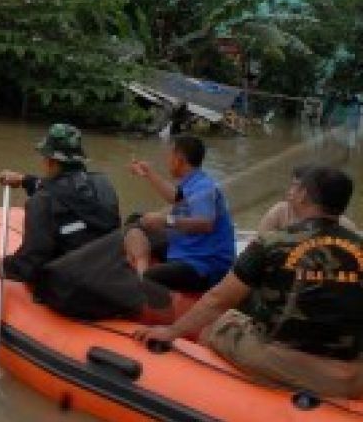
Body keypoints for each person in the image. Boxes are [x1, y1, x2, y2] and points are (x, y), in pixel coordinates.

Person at [134, 166, 363, 398]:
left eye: (296, 187)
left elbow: (218, 299)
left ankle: (210, 393)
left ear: (303, 195)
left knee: (216, 326)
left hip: (293, 363)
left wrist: (172, 332)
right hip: (353, 373)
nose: (290, 191)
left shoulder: (272, 243)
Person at [0, 123, 121, 289]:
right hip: (109, 276)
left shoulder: (41, 201)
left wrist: (4, 267)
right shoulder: (103, 184)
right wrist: (25, 180)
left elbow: (32, 259)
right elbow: (69, 190)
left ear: (51, 162)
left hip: (71, 289)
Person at [124, 135, 235, 292]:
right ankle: (141, 262)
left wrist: (166, 221)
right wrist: (148, 173)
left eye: (170, 156)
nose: (168, 161)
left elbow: (206, 224)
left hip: (205, 263)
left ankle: (143, 279)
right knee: (136, 220)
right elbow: (176, 197)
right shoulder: (194, 182)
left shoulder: (205, 187)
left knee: (152, 277)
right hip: (187, 247)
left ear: (179, 159)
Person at [257, 165, 357, 236]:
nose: (290, 191)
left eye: (296, 187)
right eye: (292, 185)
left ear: (304, 193)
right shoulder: (280, 211)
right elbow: (260, 236)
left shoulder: (344, 225)